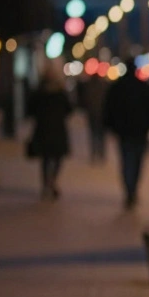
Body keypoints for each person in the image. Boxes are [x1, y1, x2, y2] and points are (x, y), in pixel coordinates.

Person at [102, 68, 149, 208]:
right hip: (140, 131)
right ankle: (133, 188)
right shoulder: (144, 88)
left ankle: (129, 190)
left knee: (127, 160)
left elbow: (109, 108)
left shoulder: (117, 88)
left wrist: (111, 126)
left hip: (124, 132)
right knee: (138, 160)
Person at [26, 64, 73, 200]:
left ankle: (47, 182)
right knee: (56, 158)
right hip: (57, 130)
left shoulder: (40, 92)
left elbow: (30, 110)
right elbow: (69, 109)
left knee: (46, 159)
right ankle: (51, 181)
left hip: (44, 129)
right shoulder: (60, 92)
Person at [77, 74, 110, 163]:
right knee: (101, 135)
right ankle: (100, 153)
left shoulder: (89, 86)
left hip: (93, 113)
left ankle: (95, 153)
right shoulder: (103, 86)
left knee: (94, 134)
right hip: (101, 114)